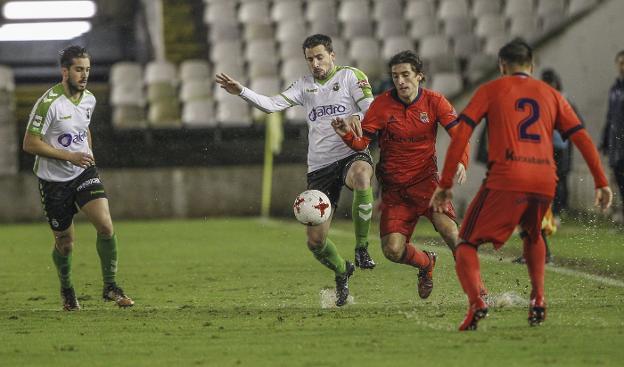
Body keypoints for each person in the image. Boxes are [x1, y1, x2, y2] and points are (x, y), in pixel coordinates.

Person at [431, 39, 612, 331]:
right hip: (545, 179)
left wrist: (447, 181)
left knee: (466, 242)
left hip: (507, 177)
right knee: (533, 233)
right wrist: (601, 181)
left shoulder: (491, 89)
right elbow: (581, 137)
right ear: (533, 65)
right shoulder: (551, 94)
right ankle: (538, 299)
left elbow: (463, 131)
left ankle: (477, 303)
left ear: (502, 65)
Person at [215, 34, 375, 307]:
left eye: (320, 57)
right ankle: (342, 270)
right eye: (310, 59)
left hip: (350, 153)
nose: (315, 63)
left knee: (361, 174)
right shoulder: (304, 86)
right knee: (315, 242)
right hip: (320, 167)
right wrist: (241, 90)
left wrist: (354, 117)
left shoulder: (351, 76)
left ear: (332, 55)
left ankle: (361, 248)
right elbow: (271, 105)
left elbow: (372, 109)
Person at [331, 50, 470, 299]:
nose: (401, 81)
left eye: (406, 75)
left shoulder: (435, 102)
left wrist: (462, 160)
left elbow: (460, 134)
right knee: (392, 250)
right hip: (395, 191)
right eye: (395, 76)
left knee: (450, 232)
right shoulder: (382, 105)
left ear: (419, 76)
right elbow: (364, 144)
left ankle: (478, 292)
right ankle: (426, 264)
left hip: (426, 184)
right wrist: (347, 135)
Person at [22, 46, 134, 311]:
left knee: (106, 226)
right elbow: (29, 144)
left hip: (83, 173)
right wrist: (68, 156)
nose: (84, 75)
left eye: (87, 70)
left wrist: (86, 154)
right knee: (65, 243)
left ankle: (110, 286)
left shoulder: (89, 100)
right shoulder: (48, 103)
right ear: (65, 71)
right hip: (53, 182)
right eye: (79, 70)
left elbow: (84, 129)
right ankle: (67, 290)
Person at [600, 50, 624, 223]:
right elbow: (610, 117)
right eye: (621, 63)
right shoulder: (614, 89)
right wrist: (604, 139)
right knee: (618, 178)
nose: (623, 66)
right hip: (616, 144)